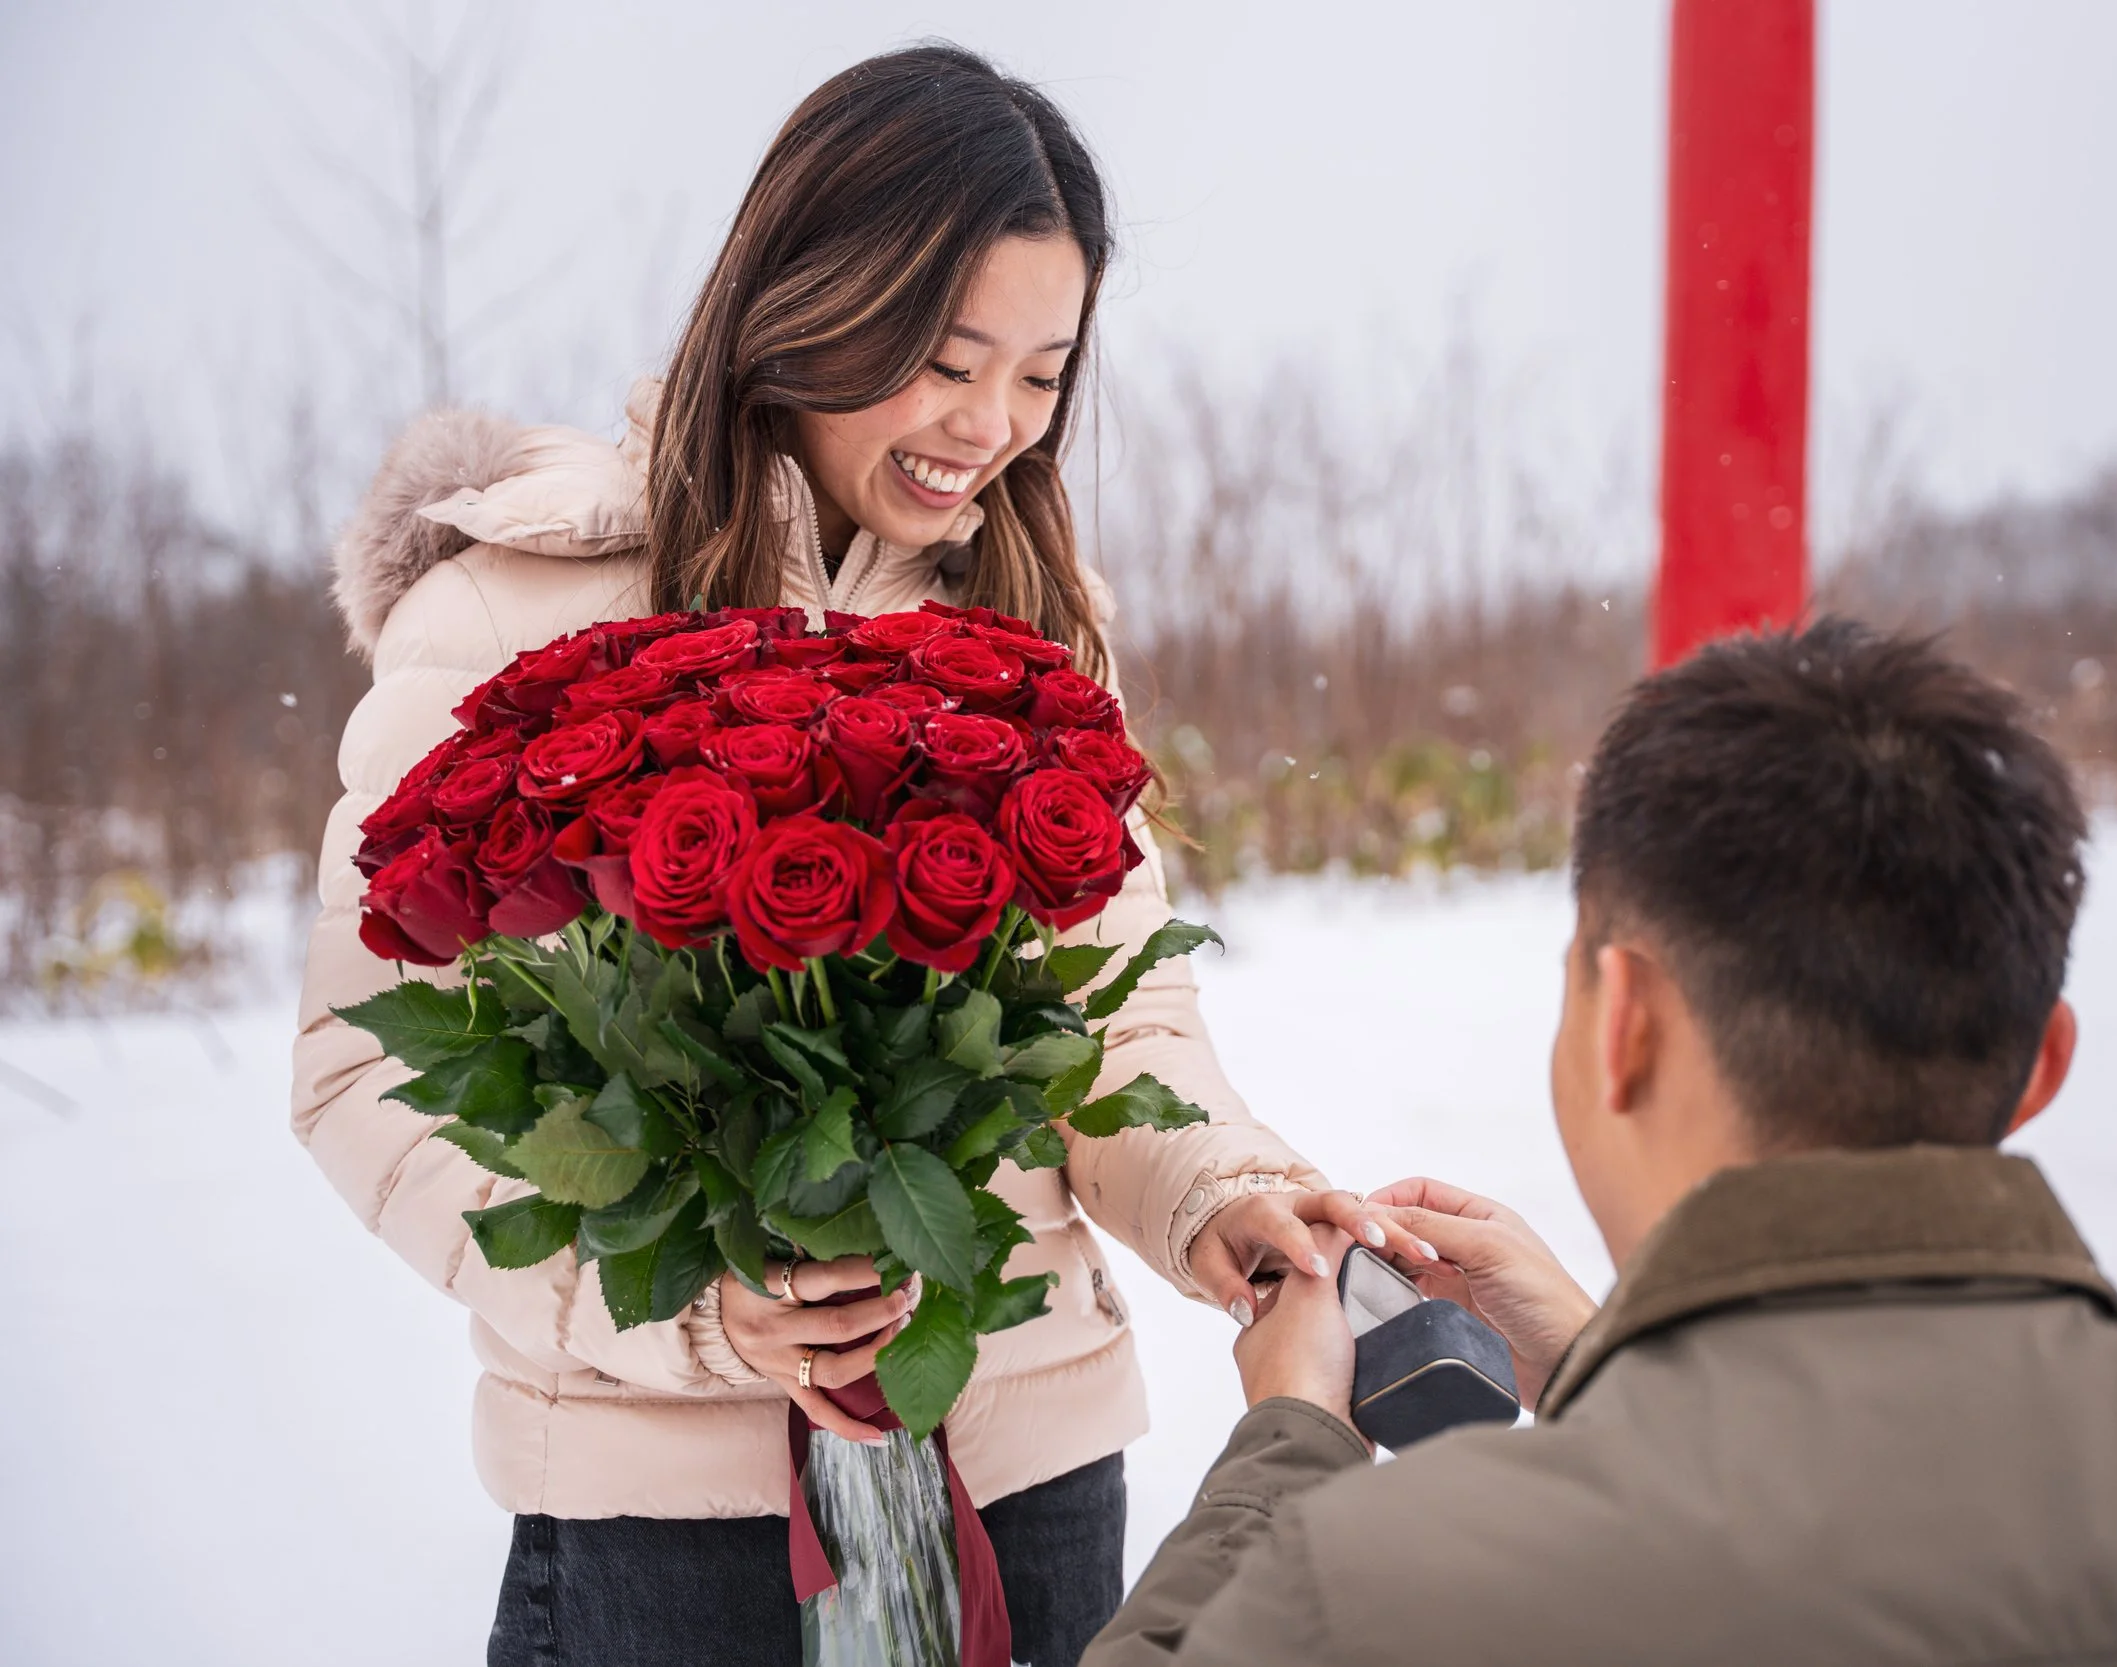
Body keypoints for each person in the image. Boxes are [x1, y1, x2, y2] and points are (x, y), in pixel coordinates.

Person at [294, 45, 1421, 1667]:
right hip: (665, 1532)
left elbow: (1115, 1022)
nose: (991, 428)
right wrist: (694, 1307)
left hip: (1025, 1478)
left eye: (1042, 374)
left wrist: (1214, 1195)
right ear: (809, 300)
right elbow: (363, 1076)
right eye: (947, 359)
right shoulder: (506, 617)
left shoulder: (1024, 636)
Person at [1088, 619, 2117, 1667]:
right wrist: (1604, 1361)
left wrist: (1289, 1440)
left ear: (1621, 1018)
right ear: (2043, 1062)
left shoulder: (1385, 1590)